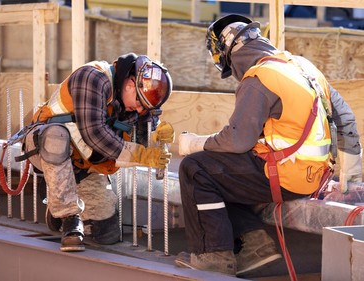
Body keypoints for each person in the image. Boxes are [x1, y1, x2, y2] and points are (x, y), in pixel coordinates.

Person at [174, 14, 362, 277]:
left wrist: (194, 143)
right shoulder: (302, 67)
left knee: (197, 168)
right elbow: (345, 118)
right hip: (315, 177)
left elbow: (238, 140)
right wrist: (351, 173)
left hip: (286, 177)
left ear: (229, 55)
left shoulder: (259, 77)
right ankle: (255, 245)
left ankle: (213, 254)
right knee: (226, 170)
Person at [19, 53, 174, 252]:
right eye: (139, 102)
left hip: (84, 165)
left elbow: (141, 136)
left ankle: (57, 209)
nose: (139, 109)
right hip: (46, 147)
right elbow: (95, 134)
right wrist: (141, 156)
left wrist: (155, 136)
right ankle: (69, 217)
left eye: (145, 108)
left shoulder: (132, 102)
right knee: (56, 137)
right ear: (130, 83)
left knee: (106, 233)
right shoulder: (93, 78)